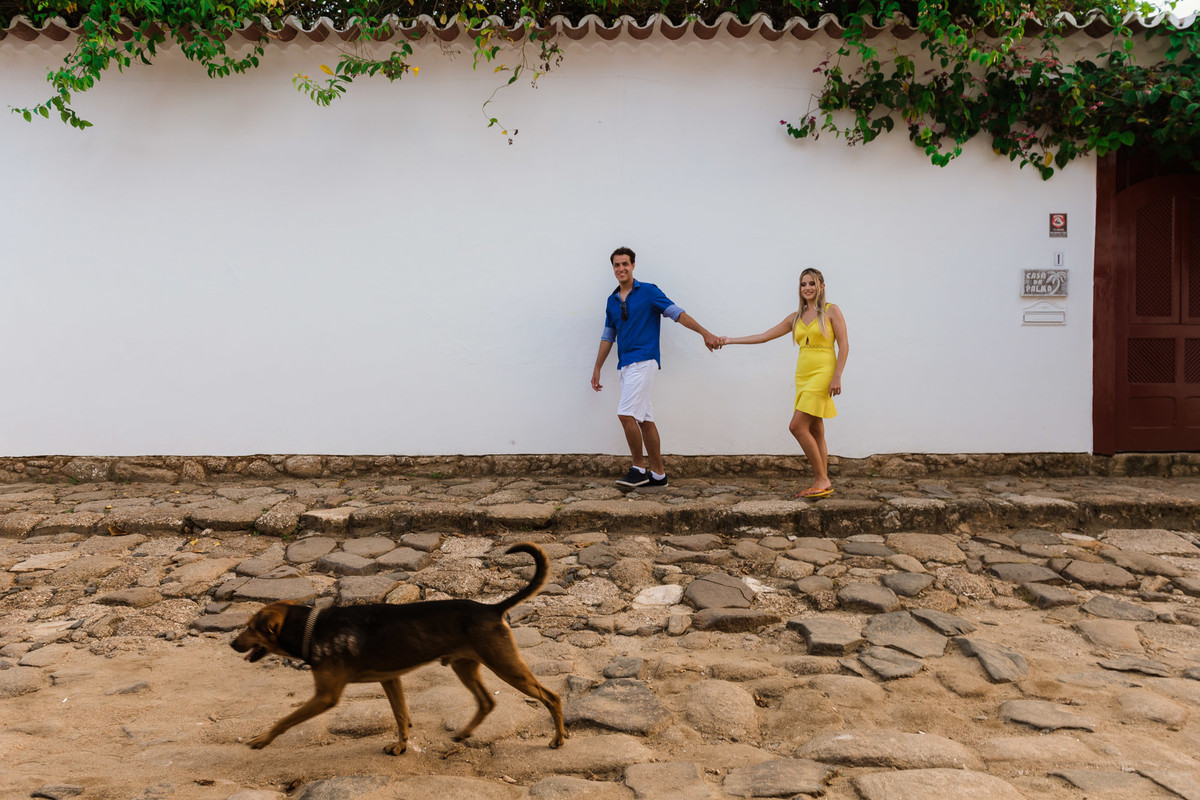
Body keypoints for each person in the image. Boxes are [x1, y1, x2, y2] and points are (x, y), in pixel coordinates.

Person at [591, 246, 720, 488]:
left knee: (626, 414)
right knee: (644, 419)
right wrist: (597, 367)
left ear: (633, 265)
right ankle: (659, 475)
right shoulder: (611, 301)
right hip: (624, 365)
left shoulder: (649, 291)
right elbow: (608, 336)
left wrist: (705, 333)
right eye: (617, 265)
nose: (621, 268)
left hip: (645, 360)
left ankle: (638, 469)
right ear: (613, 268)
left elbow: (677, 313)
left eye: (625, 264)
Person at [717, 268, 848, 498]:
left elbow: (844, 345)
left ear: (822, 286)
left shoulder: (831, 311)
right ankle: (824, 481)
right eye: (803, 284)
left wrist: (837, 375)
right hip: (803, 374)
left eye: (812, 283)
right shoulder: (795, 317)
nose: (807, 288)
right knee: (816, 429)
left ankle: (821, 478)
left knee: (796, 426)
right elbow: (764, 336)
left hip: (823, 373)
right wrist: (730, 340)